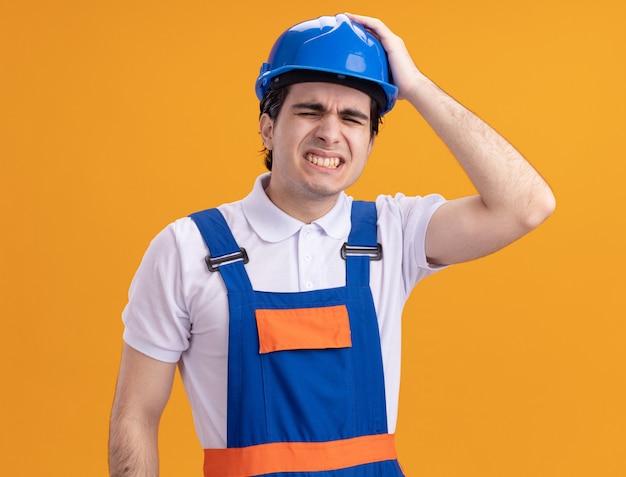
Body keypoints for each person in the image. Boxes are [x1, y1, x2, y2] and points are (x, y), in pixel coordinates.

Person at [108, 13, 555, 477]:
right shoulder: (186, 249)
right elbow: (135, 416)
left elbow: (526, 206)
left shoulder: (392, 233)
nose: (330, 131)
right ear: (267, 127)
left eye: (353, 117)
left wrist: (417, 86)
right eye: (309, 110)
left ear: (369, 141)